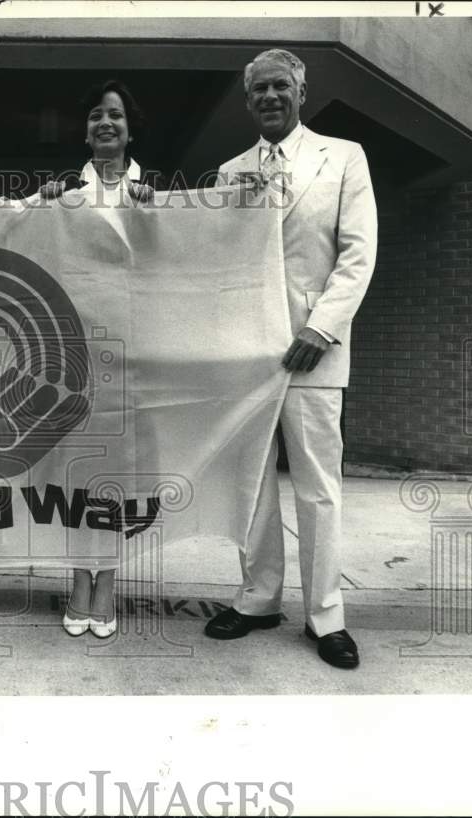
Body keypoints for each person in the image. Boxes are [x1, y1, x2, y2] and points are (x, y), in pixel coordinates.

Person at [204, 49, 377, 668]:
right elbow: (219, 265)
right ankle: (258, 598)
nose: (270, 97)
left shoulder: (344, 157)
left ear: (301, 93)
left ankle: (326, 615)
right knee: (250, 486)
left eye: (281, 86)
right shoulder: (229, 172)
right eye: (258, 90)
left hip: (314, 354)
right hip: (248, 356)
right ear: (248, 101)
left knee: (318, 489)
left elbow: (357, 255)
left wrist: (321, 329)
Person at [42, 80, 159, 639]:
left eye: (115, 115)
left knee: (116, 472)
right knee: (75, 470)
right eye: (95, 115)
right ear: (86, 130)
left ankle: (107, 582)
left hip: (130, 356)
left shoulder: (153, 192)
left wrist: (155, 214)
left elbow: (175, 262)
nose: (104, 123)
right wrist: (40, 211)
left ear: (130, 128)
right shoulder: (62, 190)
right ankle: (76, 582)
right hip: (73, 356)